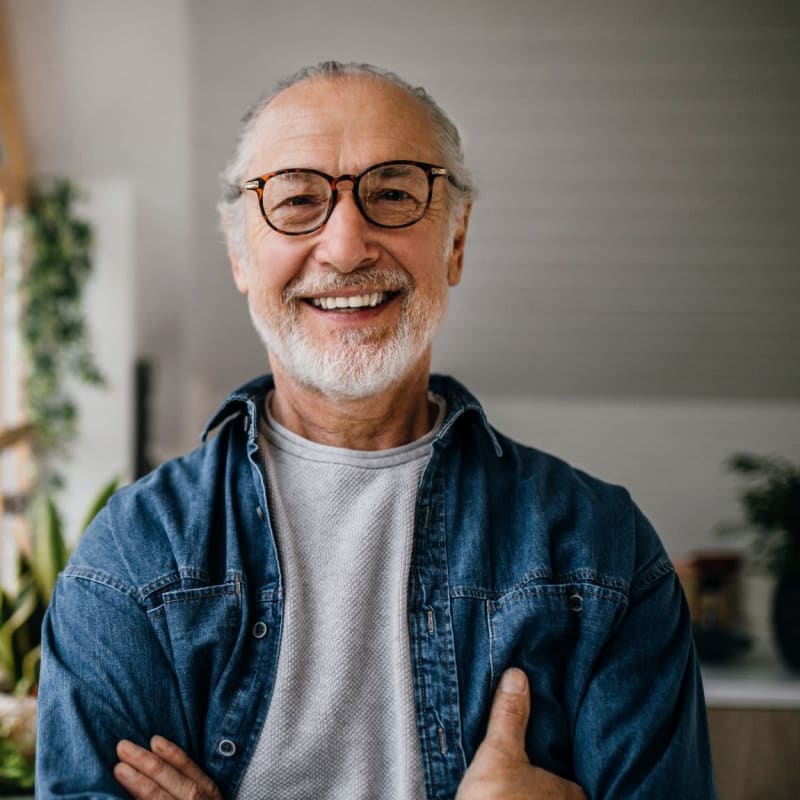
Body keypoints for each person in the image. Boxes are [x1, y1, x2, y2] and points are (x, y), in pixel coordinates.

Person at [36, 62, 717, 799]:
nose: (346, 245)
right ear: (240, 256)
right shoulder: (133, 559)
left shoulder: (603, 553)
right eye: (297, 200)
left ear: (455, 242)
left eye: (393, 193)